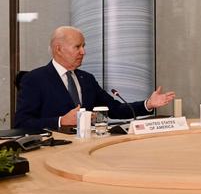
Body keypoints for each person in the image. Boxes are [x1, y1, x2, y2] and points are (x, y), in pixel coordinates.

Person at [15, 26, 176, 130]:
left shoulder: (87, 79)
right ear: (58, 49)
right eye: (77, 47)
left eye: (83, 46)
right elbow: (22, 123)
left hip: (88, 150)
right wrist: (60, 121)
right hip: (53, 153)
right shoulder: (34, 79)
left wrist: (148, 104)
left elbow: (114, 109)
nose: (83, 52)